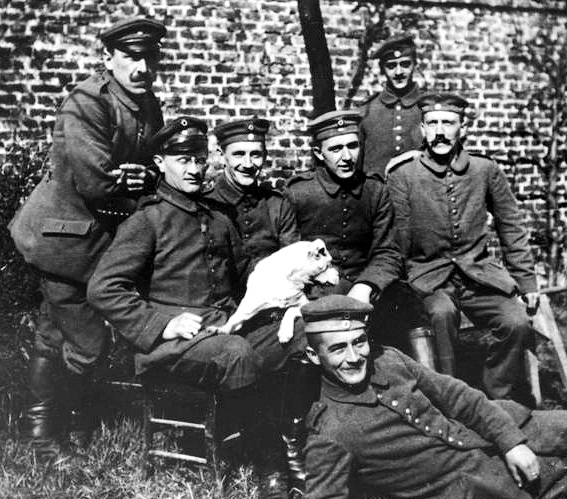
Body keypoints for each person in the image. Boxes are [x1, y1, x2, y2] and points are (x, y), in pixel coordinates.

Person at [87, 117, 305, 499]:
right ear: (160, 163)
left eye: (200, 159)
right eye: (182, 159)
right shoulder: (147, 219)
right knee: (237, 354)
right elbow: (104, 288)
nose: (193, 168)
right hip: (170, 345)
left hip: (221, 328)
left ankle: (305, 442)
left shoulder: (217, 217)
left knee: (301, 332)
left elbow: (246, 274)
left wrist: (287, 292)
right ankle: (270, 463)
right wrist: (160, 325)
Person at [9, 16, 166, 452]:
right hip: (63, 238)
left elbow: (157, 164)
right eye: (131, 58)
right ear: (108, 58)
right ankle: (49, 432)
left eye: (149, 58)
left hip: (100, 240)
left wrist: (144, 175)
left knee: (55, 332)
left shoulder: (148, 105)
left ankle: (50, 431)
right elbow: (97, 181)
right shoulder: (86, 102)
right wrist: (138, 180)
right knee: (87, 342)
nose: (141, 68)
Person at [302, 294, 567, 499]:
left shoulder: (388, 360)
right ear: (314, 356)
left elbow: (458, 396)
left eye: (359, 342)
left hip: (501, 427)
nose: (354, 357)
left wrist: (511, 442)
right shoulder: (329, 434)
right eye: (338, 349)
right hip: (480, 485)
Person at [387, 92, 540, 406]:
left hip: (479, 276)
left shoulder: (485, 170)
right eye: (432, 123)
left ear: (463, 129)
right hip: (429, 278)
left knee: (516, 322)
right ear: (422, 129)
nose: (440, 131)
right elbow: (398, 237)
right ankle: (453, 401)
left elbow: (510, 224)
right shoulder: (404, 176)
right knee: (441, 316)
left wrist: (527, 282)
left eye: (448, 123)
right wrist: (400, 287)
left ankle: (499, 397)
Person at [208, 117, 305, 490]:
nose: (249, 162)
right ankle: (272, 462)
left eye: (256, 154)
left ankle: (293, 443)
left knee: (301, 337)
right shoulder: (207, 203)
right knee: (253, 355)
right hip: (226, 309)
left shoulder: (276, 203)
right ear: (222, 156)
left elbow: (295, 264)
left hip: (275, 306)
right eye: (239, 154)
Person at [286, 109, 429, 353]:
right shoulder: (299, 193)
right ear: (319, 153)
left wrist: (366, 286)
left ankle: (431, 385)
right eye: (335, 149)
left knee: (411, 307)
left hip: (369, 287)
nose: (347, 156)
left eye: (352, 146)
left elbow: (388, 251)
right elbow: (289, 255)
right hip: (320, 291)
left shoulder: (374, 190)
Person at [359, 34, 423, 176]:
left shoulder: (428, 107)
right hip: (377, 195)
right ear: (382, 69)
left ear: (415, 66)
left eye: (405, 64)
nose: (399, 72)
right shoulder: (367, 111)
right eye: (391, 66)